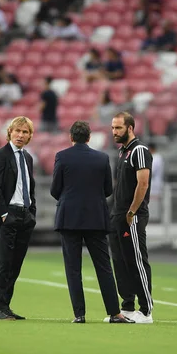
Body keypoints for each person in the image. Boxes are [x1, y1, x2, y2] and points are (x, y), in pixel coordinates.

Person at [50, 121, 134, 324]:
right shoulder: (102, 158)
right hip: (96, 218)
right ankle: (115, 313)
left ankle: (79, 315)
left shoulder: (62, 156)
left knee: (73, 268)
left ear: (71, 137)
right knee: (104, 266)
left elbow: (54, 190)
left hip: (69, 218)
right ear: (89, 138)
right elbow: (108, 190)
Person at [0, 116, 37, 321]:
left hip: (25, 215)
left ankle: (7, 306)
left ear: (30, 135)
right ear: (10, 132)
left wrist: (32, 211)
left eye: (25, 132)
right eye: (18, 131)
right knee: (4, 263)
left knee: (16, 264)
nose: (21, 135)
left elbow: (30, 188)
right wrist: (3, 214)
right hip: (8, 215)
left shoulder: (28, 158)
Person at [109, 112, 154, 324]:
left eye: (118, 128)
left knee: (137, 261)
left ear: (130, 128)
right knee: (120, 261)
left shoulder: (139, 150)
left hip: (131, 216)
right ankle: (127, 306)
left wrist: (131, 212)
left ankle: (146, 311)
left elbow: (142, 184)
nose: (114, 132)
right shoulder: (122, 152)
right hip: (118, 215)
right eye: (112, 128)